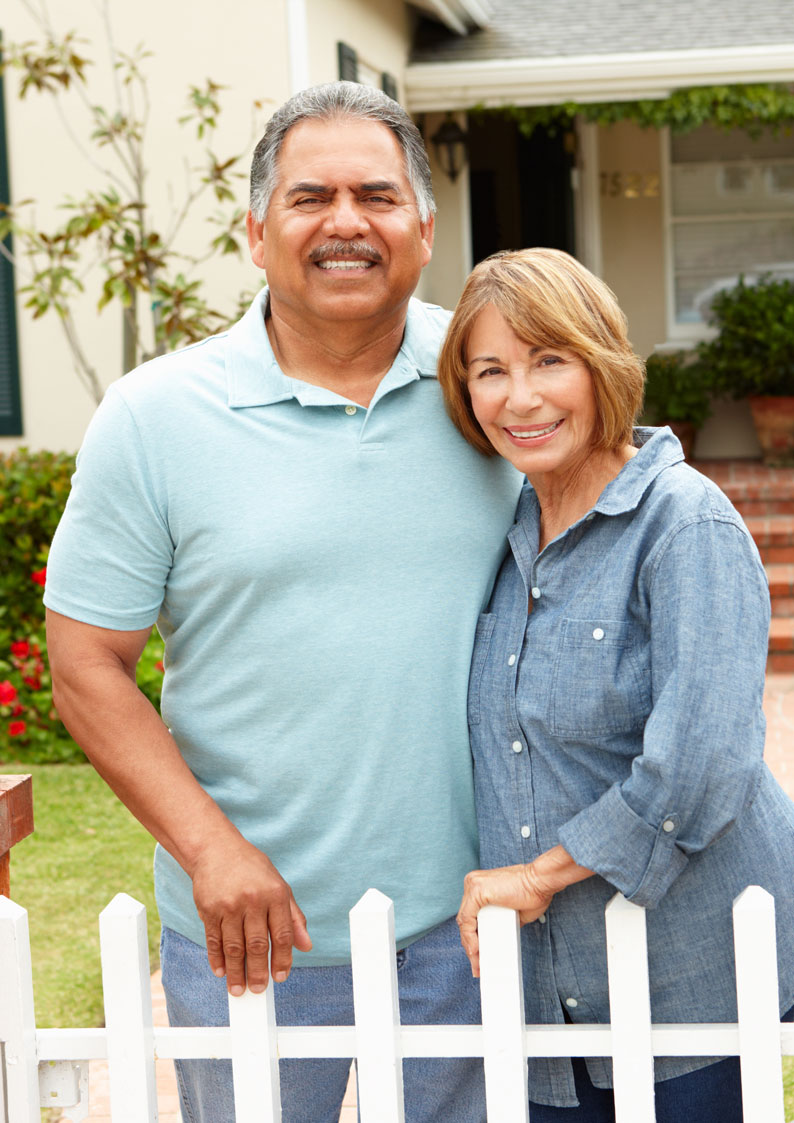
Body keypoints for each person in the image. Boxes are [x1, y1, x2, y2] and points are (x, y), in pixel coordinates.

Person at [43, 83, 522, 1123]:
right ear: (255, 234)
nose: (346, 221)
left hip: (476, 923)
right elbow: (84, 662)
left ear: (424, 230)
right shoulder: (153, 418)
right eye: (310, 198)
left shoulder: (492, 388)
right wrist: (211, 850)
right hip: (250, 933)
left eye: (376, 196)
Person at [438, 247, 794, 1122]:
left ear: (601, 365)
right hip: (553, 994)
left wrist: (535, 875)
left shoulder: (685, 522)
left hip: (692, 983)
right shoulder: (504, 532)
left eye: (548, 360)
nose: (520, 397)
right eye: (491, 370)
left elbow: (703, 764)